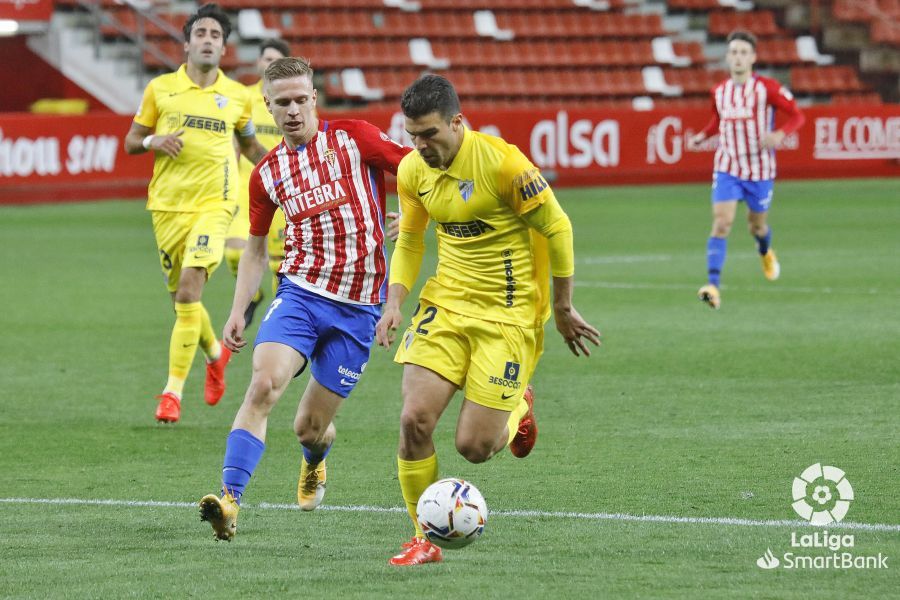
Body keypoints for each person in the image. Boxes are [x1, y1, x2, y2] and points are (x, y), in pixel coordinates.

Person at [374, 74, 601, 566]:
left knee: (474, 448)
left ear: (458, 122)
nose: (420, 145)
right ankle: (422, 539)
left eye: (430, 133)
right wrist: (394, 302)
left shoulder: (504, 164)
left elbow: (557, 227)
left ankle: (519, 408)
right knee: (414, 420)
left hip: (509, 315)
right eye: (412, 134)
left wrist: (561, 308)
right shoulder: (414, 170)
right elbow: (411, 241)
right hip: (447, 305)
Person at [198, 57, 410, 541]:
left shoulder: (355, 138)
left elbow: (420, 170)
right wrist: (236, 309)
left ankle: (315, 459)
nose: (293, 110)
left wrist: (413, 218)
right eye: (282, 103)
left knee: (309, 429)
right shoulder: (268, 174)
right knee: (264, 384)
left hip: (359, 307)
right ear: (268, 107)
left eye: (300, 100)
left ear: (314, 99)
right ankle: (229, 502)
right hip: (300, 292)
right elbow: (254, 249)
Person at [124, 3, 268, 423]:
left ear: (223, 48)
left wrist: (287, 168)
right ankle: (214, 356)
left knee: (190, 293)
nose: (208, 40)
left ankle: (171, 394)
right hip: (167, 207)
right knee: (182, 305)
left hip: (215, 205)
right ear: (187, 43)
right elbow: (133, 140)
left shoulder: (238, 97)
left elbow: (252, 148)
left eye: (215, 36)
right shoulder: (160, 89)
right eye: (201, 33)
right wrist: (155, 141)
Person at [687, 30, 805, 310]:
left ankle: (765, 250)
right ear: (727, 57)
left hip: (760, 170)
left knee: (757, 226)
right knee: (721, 223)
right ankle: (713, 286)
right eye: (734, 52)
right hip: (728, 166)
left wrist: (779, 134)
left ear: (752, 57)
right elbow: (718, 121)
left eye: (743, 52)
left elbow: (798, 115)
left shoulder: (768, 88)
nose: (738, 57)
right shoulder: (719, 91)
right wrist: (702, 137)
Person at [225, 38, 292, 327]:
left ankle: (280, 323)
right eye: (266, 59)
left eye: (275, 60)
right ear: (258, 63)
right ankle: (253, 294)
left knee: (281, 267)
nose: (268, 64)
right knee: (234, 252)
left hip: (280, 189)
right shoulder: (243, 98)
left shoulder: (291, 103)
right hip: (244, 186)